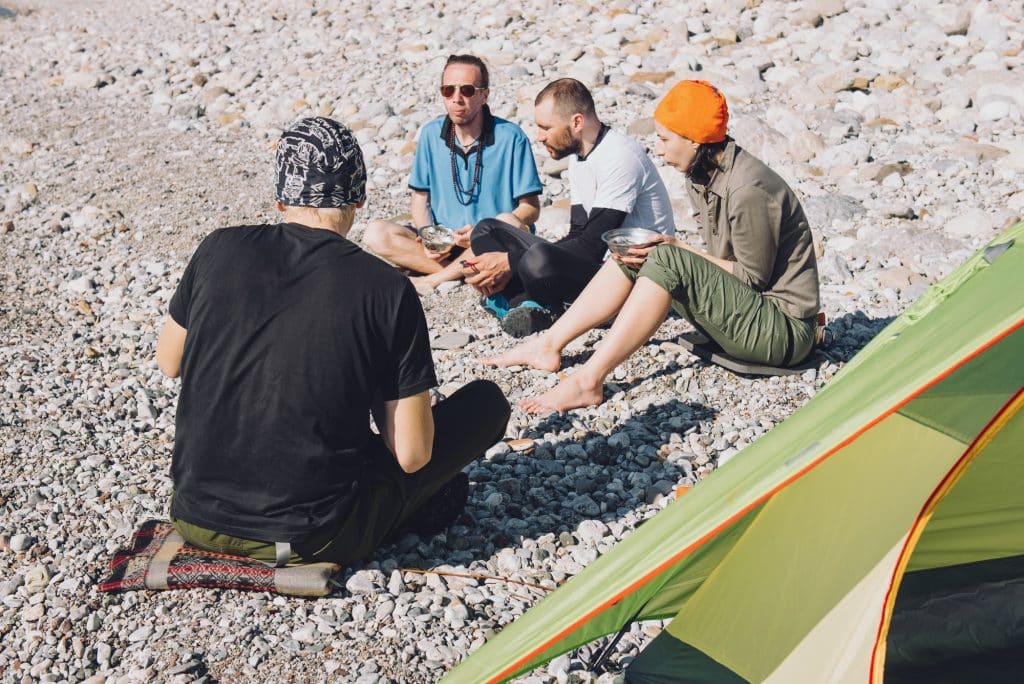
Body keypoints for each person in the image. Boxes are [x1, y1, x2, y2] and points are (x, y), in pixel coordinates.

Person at [155, 117, 511, 567]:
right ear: (359, 196)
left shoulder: (216, 249)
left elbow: (169, 362)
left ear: (281, 198)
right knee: (486, 403)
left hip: (194, 518)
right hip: (311, 538)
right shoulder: (384, 289)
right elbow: (412, 454)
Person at [482, 80, 821, 413]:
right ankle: (549, 343)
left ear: (693, 140)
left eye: (664, 139)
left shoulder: (748, 189)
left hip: (781, 332)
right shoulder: (703, 174)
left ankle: (589, 380)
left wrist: (679, 250)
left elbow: (752, 279)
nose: (658, 150)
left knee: (666, 255)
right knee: (638, 250)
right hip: (748, 313)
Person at [463, 78, 675, 338]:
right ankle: (524, 303)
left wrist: (510, 262)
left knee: (538, 261)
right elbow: (578, 234)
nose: (539, 136)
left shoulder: (620, 157)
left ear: (576, 122)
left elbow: (592, 247)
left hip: (626, 278)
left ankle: (520, 301)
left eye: (545, 128)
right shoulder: (579, 157)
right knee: (487, 230)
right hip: (595, 263)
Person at [360, 54, 542, 294]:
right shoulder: (430, 134)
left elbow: (530, 209)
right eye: (448, 90)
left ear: (484, 95)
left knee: (507, 223)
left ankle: (435, 278)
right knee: (376, 233)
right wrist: (428, 236)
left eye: (467, 90)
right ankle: (462, 272)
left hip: (492, 241)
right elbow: (420, 200)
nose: (457, 99)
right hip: (446, 242)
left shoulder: (511, 137)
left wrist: (481, 228)